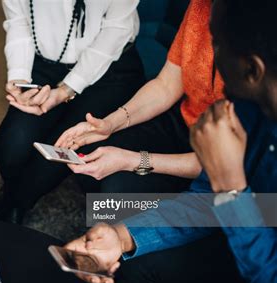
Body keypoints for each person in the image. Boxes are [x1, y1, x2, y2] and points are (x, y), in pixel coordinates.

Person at [65, 0, 277, 283]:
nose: (211, 55)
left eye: (217, 44)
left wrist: (230, 190)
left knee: (121, 196)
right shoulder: (249, 106)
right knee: (118, 219)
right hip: (244, 210)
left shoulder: (239, 105)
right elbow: (205, 197)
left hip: (265, 268)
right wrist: (122, 237)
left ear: (252, 69)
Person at [0, 0, 145, 224]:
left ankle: (17, 201)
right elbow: (18, 22)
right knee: (12, 142)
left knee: (59, 153)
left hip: (111, 68)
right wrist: (19, 77)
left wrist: (66, 89)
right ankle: (14, 194)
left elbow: (114, 33)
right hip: (45, 62)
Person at [53, 0, 223, 198]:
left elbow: (227, 163)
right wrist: (110, 124)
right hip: (185, 121)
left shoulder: (260, 44)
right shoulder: (200, 7)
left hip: (224, 159)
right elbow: (166, 85)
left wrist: (133, 161)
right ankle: (110, 222)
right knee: (92, 154)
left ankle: (120, 224)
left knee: (118, 192)